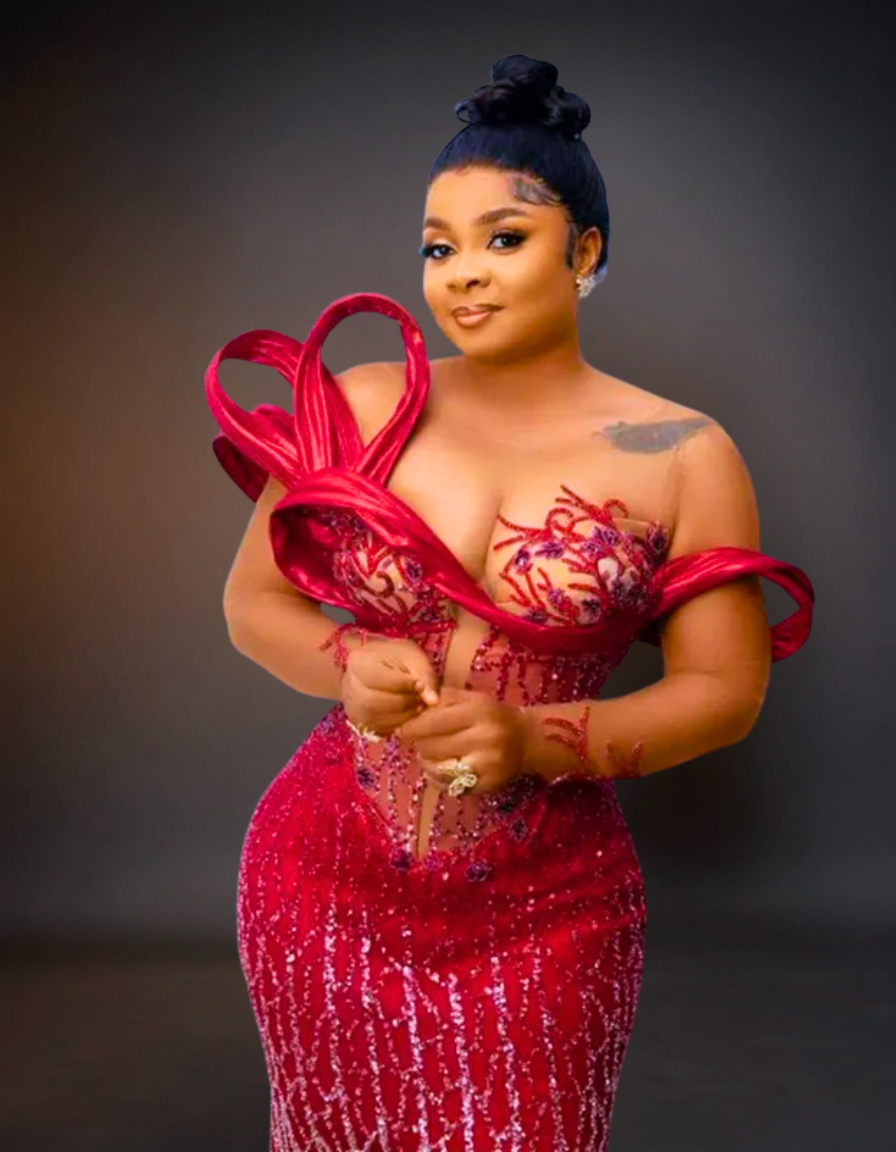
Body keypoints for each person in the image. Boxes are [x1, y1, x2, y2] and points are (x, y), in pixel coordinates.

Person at [205, 54, 814, 1152]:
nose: (461, 275)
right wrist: (347, 663)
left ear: (584, 252)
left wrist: (529, 737)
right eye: (438, 247)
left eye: (503, 238)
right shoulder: (360, 401)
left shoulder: (682, 452)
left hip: (548, 907)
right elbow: (252, 605)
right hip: (319, 880)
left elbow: (724, 691)